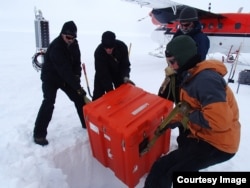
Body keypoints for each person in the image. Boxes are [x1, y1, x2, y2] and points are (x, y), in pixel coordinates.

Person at [144, 35, 241, 188]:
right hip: (205, 134)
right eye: (168, 62)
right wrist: (173, 120)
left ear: (183, 58)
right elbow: (189, 106)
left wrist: (187, 116)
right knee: (183, 144)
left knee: (162, 169)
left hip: (217, 143)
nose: (171, 66)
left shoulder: (205, 81)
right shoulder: (191, 74)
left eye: (172, 62)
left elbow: (219, 122)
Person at [158, 6, 210, 146]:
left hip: (189, 82)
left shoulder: (201, 39)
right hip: (176, 77)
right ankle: (177, 134)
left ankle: (188, 141)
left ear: (194, 23)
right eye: (181, 24)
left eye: (186, 24)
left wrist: (178, 70)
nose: (183, 27)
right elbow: (172, 49)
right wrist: (170, 67)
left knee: (188, 111)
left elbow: (195, 64)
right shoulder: (180, 32)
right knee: (174, 105)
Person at [33, 21, 90, 146]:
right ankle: (39, 134)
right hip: (51, 78)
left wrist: (77, 77)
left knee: (79, 98)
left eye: (73, 38)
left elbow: (76, 64)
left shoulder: (74, 45)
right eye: (68, 37)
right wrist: (77, 86)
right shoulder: (56, 47)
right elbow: (64, 70)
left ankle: (87, 125)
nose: (70, 40)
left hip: (65, 78)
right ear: (62, 34)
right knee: (49, 101)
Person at [92, 31, 133, 101]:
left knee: (122, 94)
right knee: (98, 96)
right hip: (102, 74)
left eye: (110, 47)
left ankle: (121, 109)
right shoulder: (99, 52)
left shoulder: (122, 47)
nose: (108, 50)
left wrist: (125, 76)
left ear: (114, 44)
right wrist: (110, 91)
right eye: (106, 47)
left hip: (118, 72)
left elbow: (125, 65)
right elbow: (103, 74)